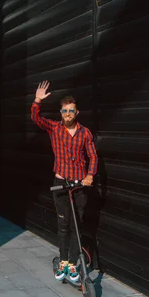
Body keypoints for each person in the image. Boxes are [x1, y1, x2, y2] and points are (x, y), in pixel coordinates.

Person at [31, 81, 98, 283]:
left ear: (77, 112)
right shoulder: (54, 128)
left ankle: (72, 264)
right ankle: (62, 261)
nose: (67, 113)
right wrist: (37, 100)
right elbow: (35, 118)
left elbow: (93, 156)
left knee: (77, 224)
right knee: (63, 225)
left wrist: (90, 176)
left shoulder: (85, 132)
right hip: (60, 184)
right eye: (64, 110)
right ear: (61, 112)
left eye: (71, 110)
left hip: (79, 186)